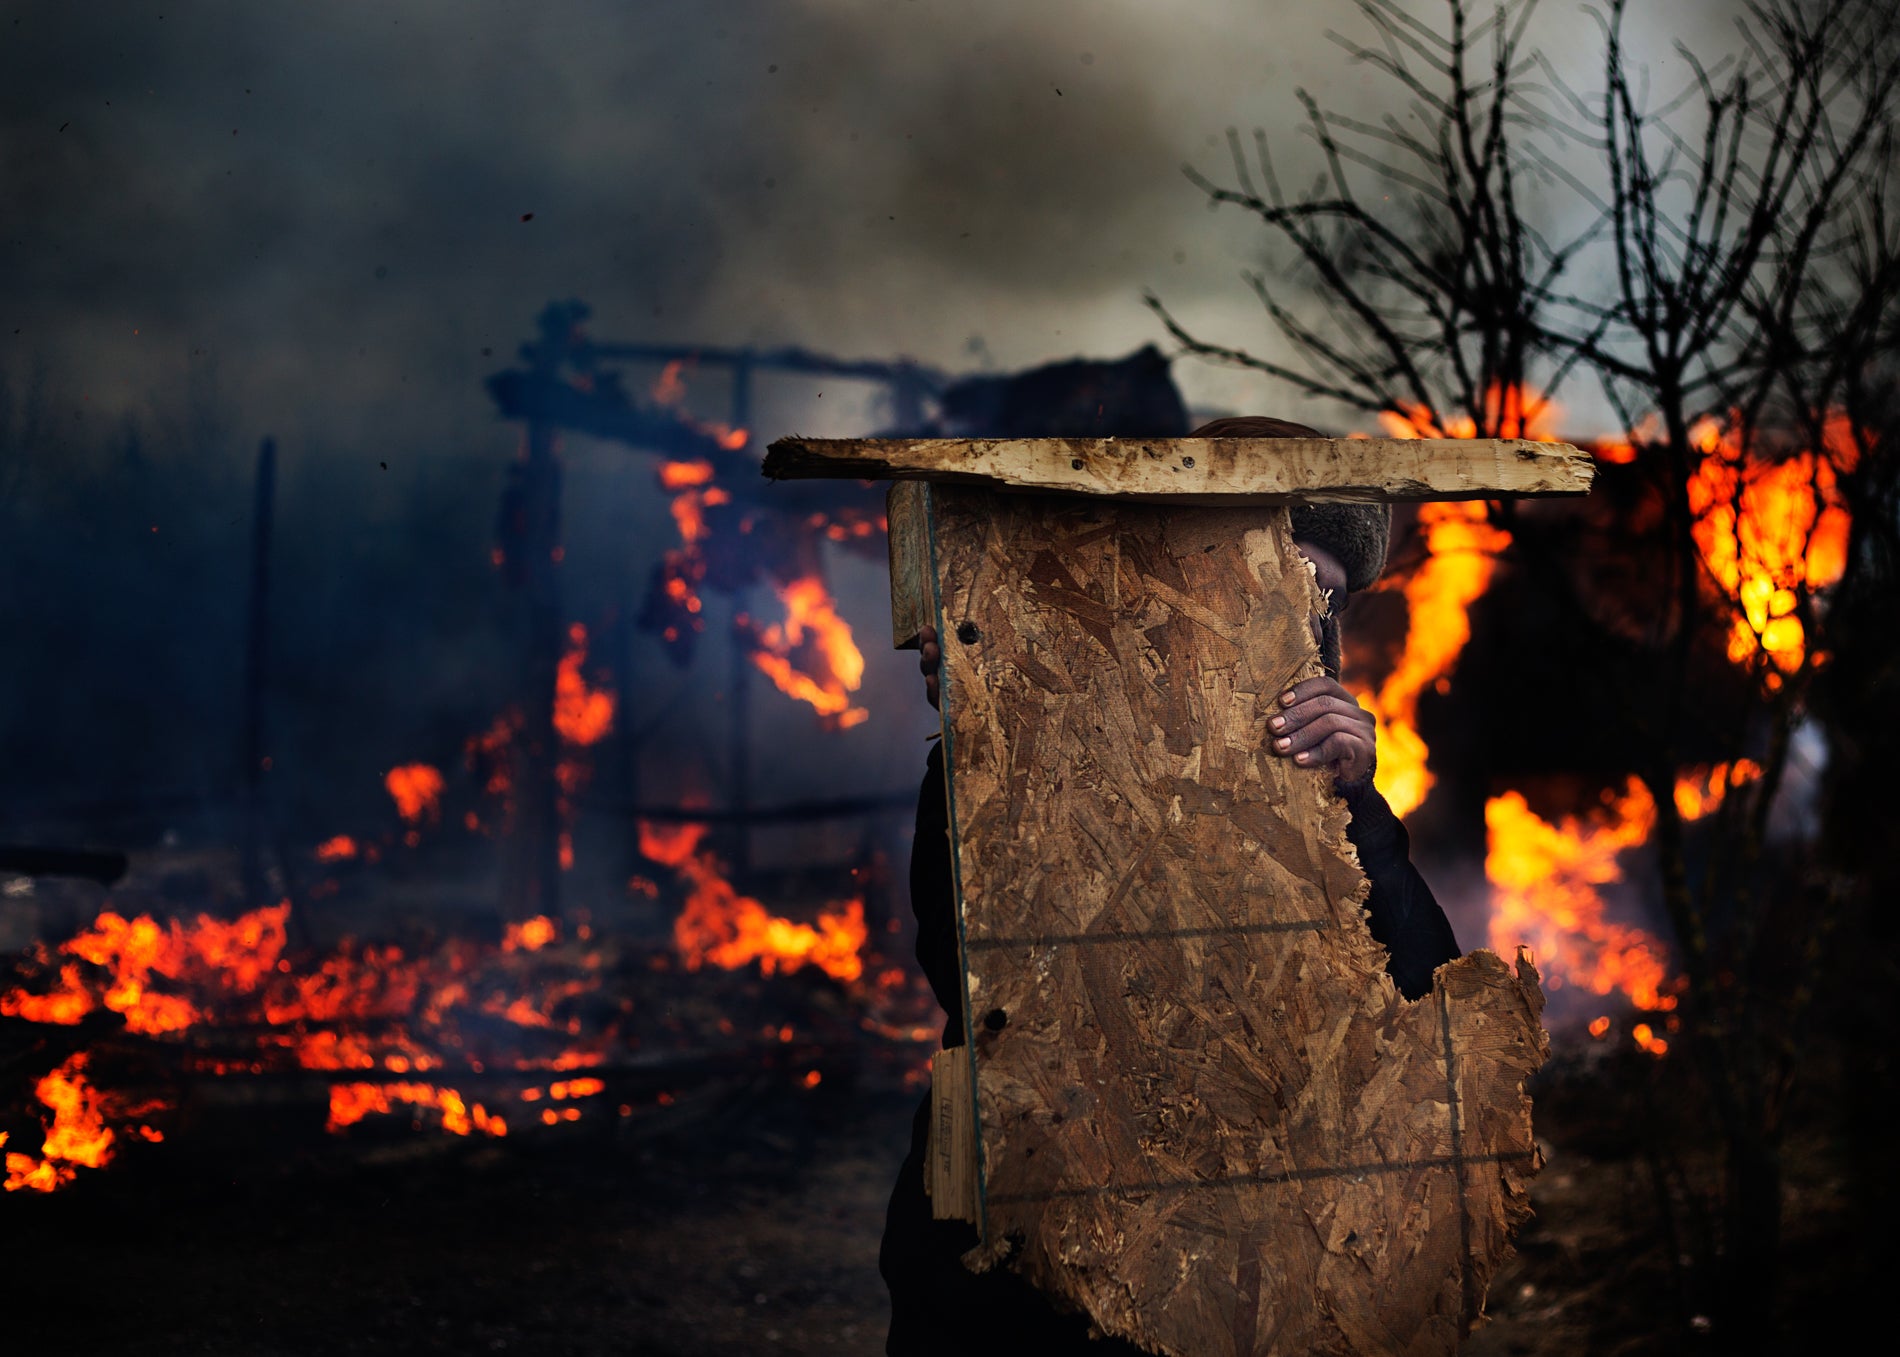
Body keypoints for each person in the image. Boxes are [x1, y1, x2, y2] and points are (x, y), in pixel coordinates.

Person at [879, 416, 1462, 1357]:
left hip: (1236, 1270)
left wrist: (1356, 806)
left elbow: (1428, 1001)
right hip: (1021, 1268)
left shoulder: (1322, 783)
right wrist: (1007, 717)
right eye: (1271, 575)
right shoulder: (1028, 746)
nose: (1299, 618)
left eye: (1325, 596)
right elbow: (976, 991)